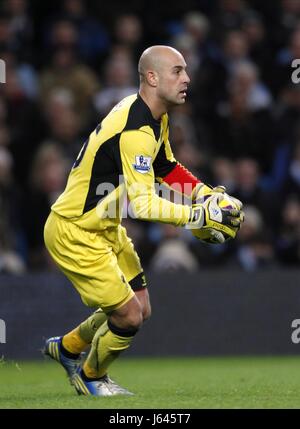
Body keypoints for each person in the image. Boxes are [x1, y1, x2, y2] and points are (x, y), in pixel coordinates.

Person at [43, 45, 244, 396]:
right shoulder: (136, 129)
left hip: (105, 226)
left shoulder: (153, 116)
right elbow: (143, 202)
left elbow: (164, 167)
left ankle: (68, 347)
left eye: (186, 71)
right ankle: (91, 378)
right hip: (75, 231)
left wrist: (206, 195)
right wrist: (197, 215)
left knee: (142, 307)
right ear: (152, 77)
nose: (187, 78)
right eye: (178, 71)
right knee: (128, 316)